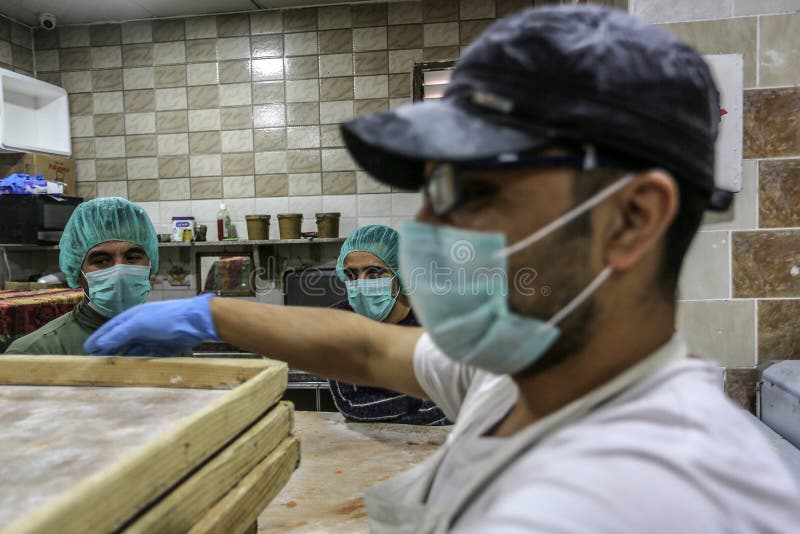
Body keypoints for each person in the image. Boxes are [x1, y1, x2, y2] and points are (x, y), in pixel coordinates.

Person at [84, 6, 800, 532]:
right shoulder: (529, 375)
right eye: (431, 191)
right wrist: (206, 314)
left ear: (633, 217)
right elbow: (368, 346)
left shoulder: (626, 498)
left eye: (475, 191)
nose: (429, 228)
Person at [5, 197, 158, 355]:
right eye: (101, 261)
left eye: (132, 258)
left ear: (151, 265)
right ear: (78, 273)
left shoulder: (176, 340)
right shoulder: (35, 353)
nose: (119, 272)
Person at [331, 225, 449, 425]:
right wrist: (417, 402)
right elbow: (352, 405)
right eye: (351, 275)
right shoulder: (340, 322)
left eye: (374, 273)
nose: (360, 284)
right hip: (369, 446)